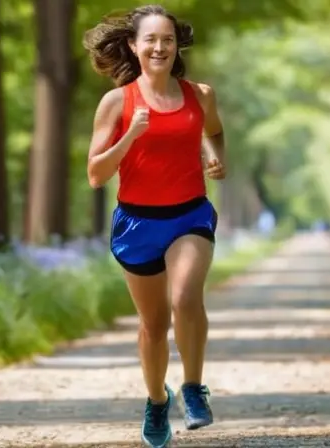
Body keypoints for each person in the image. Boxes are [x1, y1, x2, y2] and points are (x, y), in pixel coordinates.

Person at [82, 5, 226, 448]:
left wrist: (213, 154)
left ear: (176, 45)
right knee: (153, 325)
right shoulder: (116, 102)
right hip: (137, 222)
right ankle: (156, 399)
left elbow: (214, 131)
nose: (159, 47)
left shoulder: (199, 94)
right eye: (150, 40)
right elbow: (95, 174)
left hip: (189, 214)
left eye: (167, 39)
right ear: (133, 45)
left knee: (185, 296)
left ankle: (193, 388)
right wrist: (130, 136)